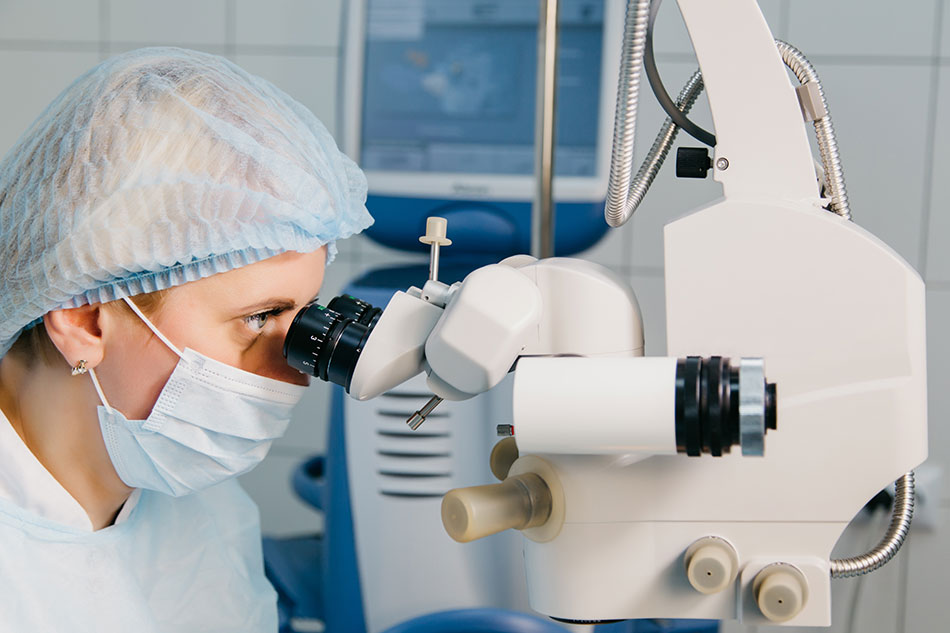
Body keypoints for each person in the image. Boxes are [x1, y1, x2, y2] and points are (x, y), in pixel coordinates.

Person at [0, 47, 372, 631]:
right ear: (85, 319)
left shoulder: (200, 507)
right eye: (259, 317)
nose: (296, 372)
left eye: (303, 317)